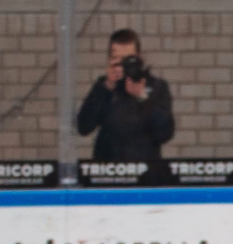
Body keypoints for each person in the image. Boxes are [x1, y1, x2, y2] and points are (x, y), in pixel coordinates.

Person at [74, 28, 174, 163]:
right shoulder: (104, 87)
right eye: (117, 59)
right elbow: (83, 127)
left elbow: (165, 133)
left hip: (146, 171)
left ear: (139, 58)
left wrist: (142, 97)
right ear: (110, 60)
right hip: (109, 172)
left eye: (128, 59)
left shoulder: (157, 86)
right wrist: (106, 87)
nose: (123, 65)